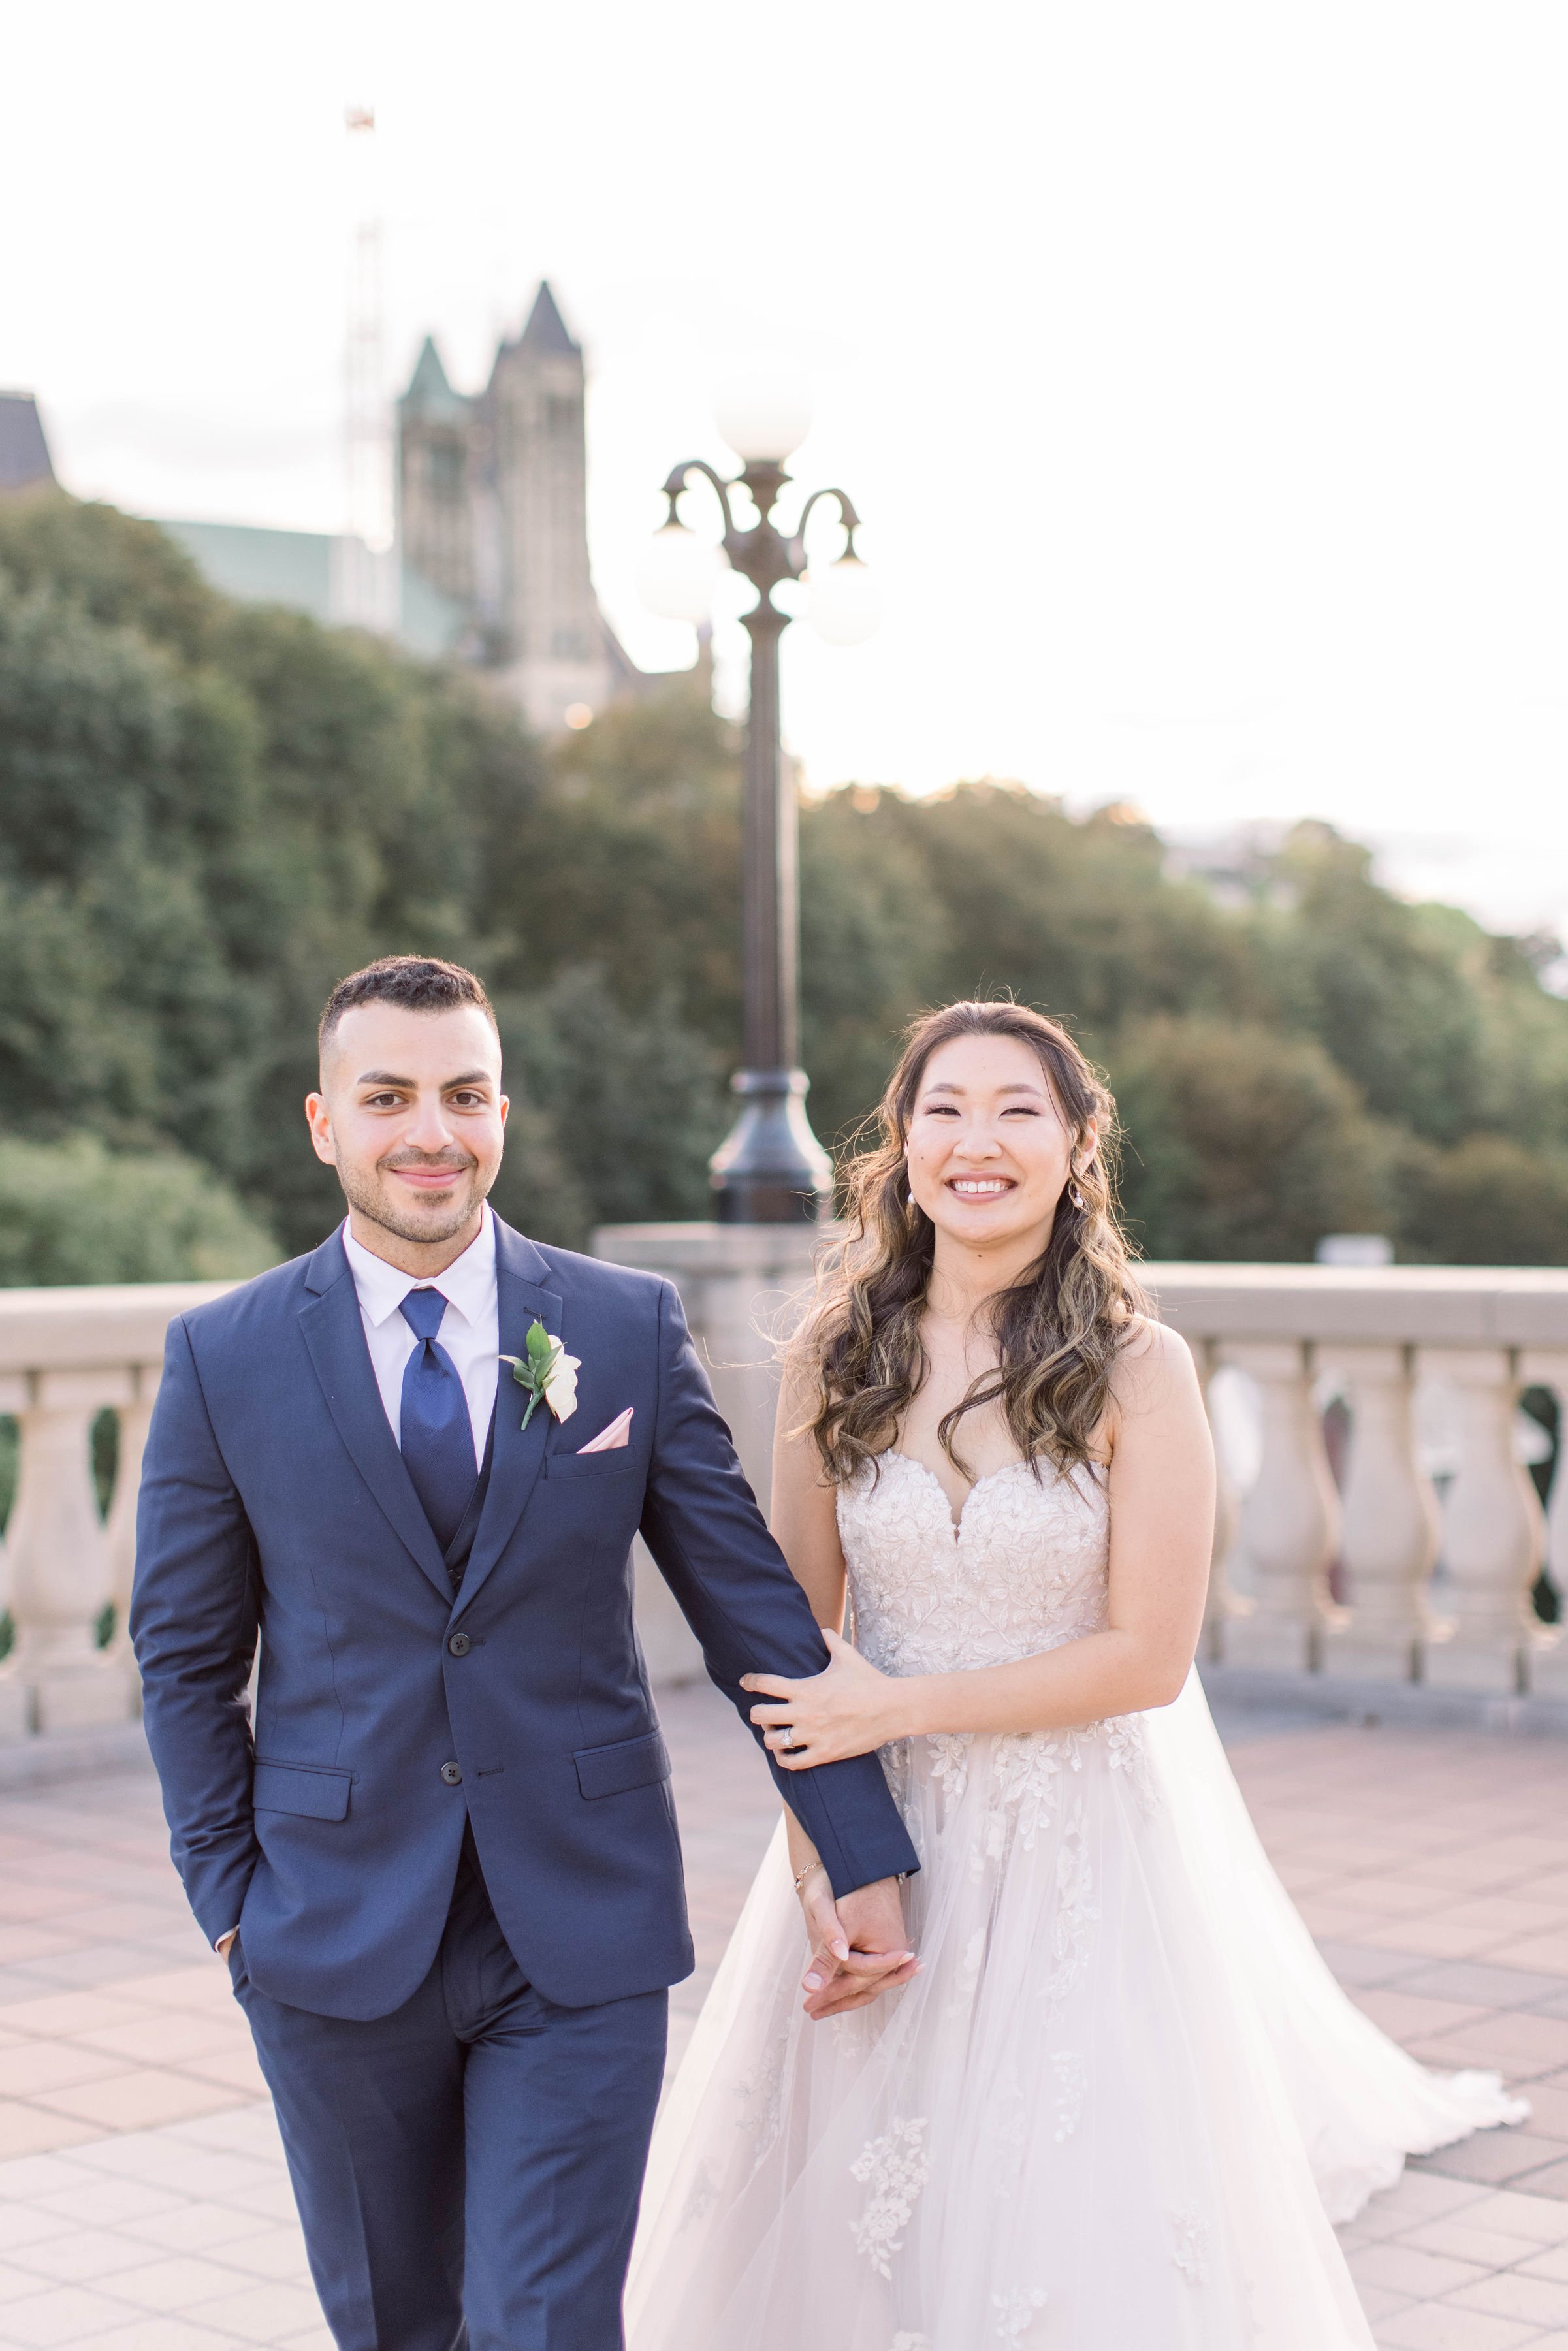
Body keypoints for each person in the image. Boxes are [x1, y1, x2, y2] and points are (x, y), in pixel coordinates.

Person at [625, 999, 1527, 2351]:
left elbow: (1146, 1660)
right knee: (857, 2236)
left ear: (1075, 1143)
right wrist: (830, 1872)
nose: (974, 1142)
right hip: (883, 1834)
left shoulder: (1134, 1367)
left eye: (1014, 1111)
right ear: (901, 1145)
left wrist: (900, 1704)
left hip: (1078, 1854)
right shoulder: (831, 1354)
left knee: (1059, 2218)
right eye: (943, 1109)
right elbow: (791, 1641)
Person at [130, 954, 920, 2351]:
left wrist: (858, 1851)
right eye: (388, 1097)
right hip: (329, 1927)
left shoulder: (619, 1328)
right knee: (393, 2323)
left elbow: (750, 1606)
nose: (430, 1131)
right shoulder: (225, 1356)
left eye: (463, 1094)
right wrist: (229, 1899)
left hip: (579, 1922)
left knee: (546, 2325)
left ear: (504, 1111)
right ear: (325, 1124)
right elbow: (185, 1657)